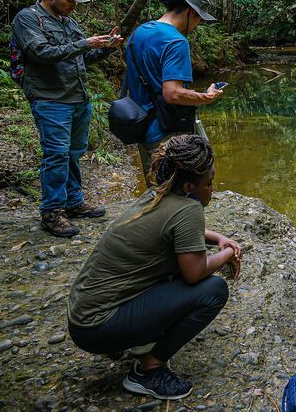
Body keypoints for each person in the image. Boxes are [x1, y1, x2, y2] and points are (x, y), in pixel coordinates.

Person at [67, 135, 241, 401]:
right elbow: (194, 273)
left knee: (181, 261)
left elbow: (175, 230)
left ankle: (135, 339)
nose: (212, 189)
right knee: (213, 289)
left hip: (83, 316)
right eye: (208, 184)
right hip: (97, 327)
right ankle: (147, 370)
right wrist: (229, 252)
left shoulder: (158, 192)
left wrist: (217, 238)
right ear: (187, 186)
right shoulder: (188, 210)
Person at [12, 0, 122, 237]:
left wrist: (107, 47)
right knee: (56, 155)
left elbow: (85, 58)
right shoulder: (28, 18)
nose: (74, 5)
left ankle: (73, 202)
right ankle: (51, 213)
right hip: (50, 99)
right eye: (70, 0)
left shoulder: (68, 21)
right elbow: (40, 52)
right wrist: (84, 43)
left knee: (74, 152)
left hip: (77, 97)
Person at [124, 0, 224, 184]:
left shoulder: (139, 33)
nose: (197, 25)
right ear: (191, 12)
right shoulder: (176, 41)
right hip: (168, 129)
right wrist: (206, 97)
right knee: (189, 184)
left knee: (157, 185)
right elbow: (172, 93)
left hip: (141, 125)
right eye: (199, 20)